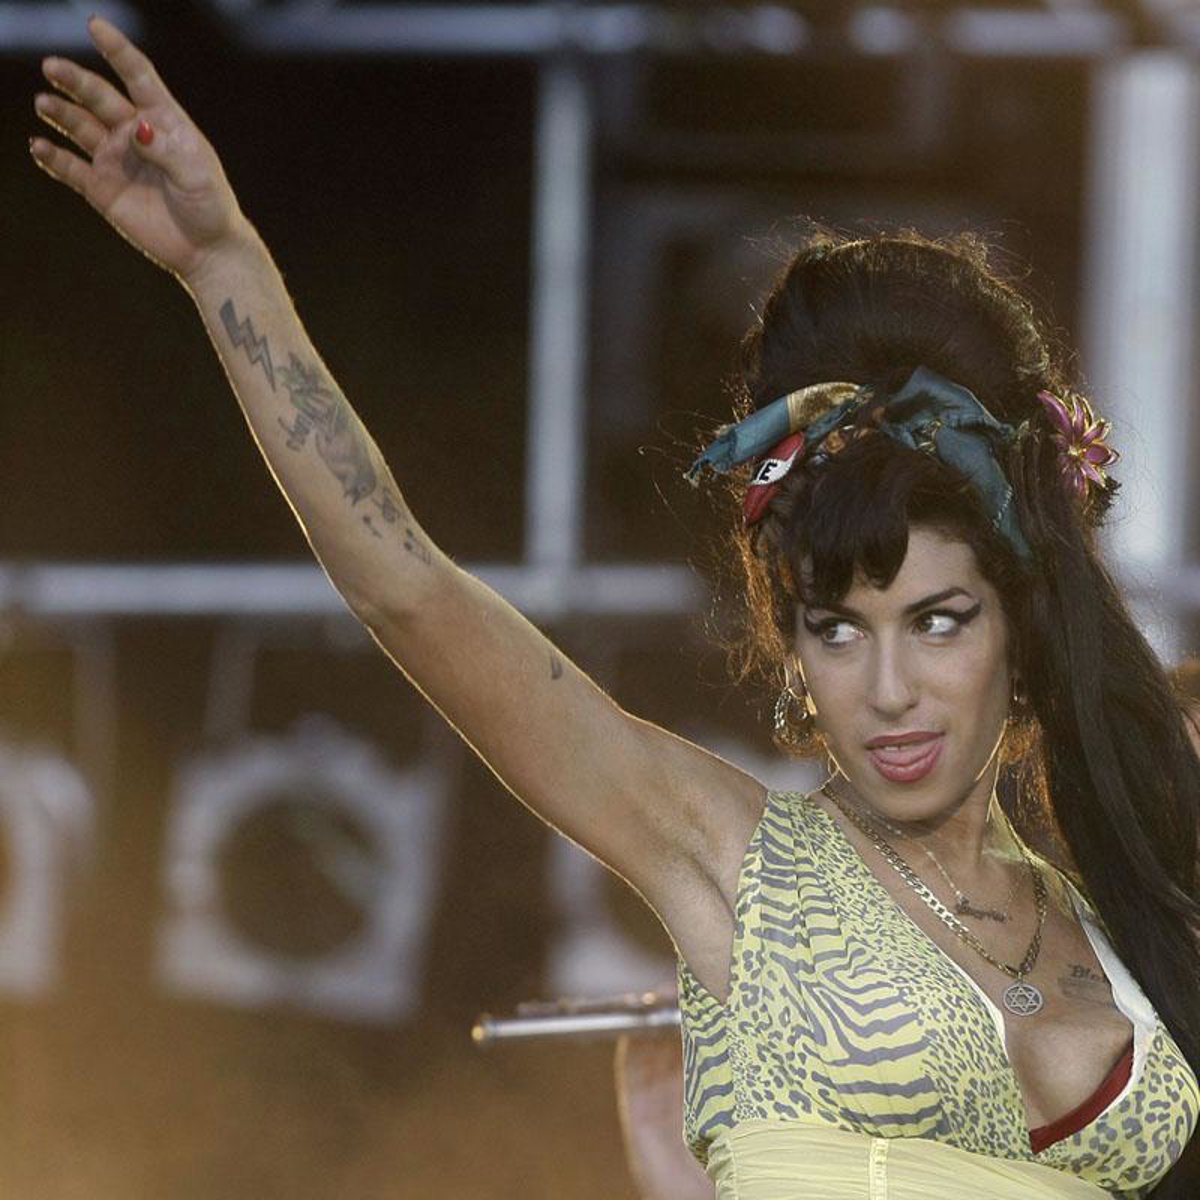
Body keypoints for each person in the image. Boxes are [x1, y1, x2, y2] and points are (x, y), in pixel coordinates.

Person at [30, 17, 1200, 1199]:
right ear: (794, 651)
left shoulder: (1107, 896)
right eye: (838, 629)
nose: (888, 688)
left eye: (938, 621)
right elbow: (407, 586)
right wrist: (224, 266)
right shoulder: (740, 864)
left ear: (1020, 627)